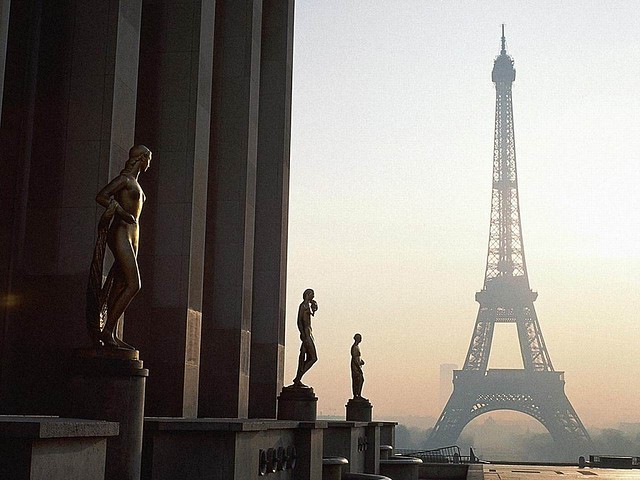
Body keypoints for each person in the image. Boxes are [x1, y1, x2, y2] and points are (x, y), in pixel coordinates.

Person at [86, 145, 152, 350]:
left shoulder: (138, 186)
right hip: (121, 232)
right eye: (148, 159)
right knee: (135, 284)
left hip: (133, 236)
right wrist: (121, 212)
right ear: (142, 159)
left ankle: (111, 332)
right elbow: (102, 196)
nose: (149, 163)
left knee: (122, 283)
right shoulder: (124, 180)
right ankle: (106, 331)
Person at [292, 288, 318, 386]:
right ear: (308, 294)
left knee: (304, 356)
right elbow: (299, 321)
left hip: (309, 333)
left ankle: (298, 378)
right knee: (313, 357)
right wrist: (302, 333)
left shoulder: (307, 306)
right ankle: (298, 377)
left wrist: (314, 307)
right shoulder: (303, 306)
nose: (313, 296)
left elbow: (312, 313)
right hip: (306, 334)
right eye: (312, 294)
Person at [351, 333, 367, 399]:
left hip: (357, 365)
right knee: (357, 380)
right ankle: (356, 395)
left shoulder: (357, 347)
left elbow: (357, 358)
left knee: (360, 380)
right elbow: (355, 358)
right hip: (355, 366)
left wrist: (361, 362)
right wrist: (358, 366)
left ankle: (358, 394)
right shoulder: (354, 347)